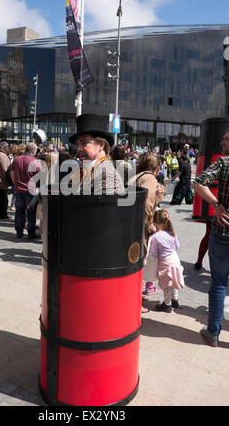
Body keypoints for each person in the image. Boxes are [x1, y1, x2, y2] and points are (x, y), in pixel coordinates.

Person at [193, 127, 229, 347]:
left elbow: (198, 182)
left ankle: (213, 332)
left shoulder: (224, 163)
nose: (222, 143)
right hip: (223, 236)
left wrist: (216, 205)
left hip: (224, 234)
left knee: (218, 284)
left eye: (227, 139)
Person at [131, 153, 163, 298]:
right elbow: (147, 204)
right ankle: (136, 302)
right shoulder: (149, 179)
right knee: (137, 263)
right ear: (157, 168)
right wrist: (150, 226)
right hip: (139, 226)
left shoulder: (136, 176)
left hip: (130, 223)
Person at [68, 113, 125, 195]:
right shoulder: (85, 170)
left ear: (101, 145)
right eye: (77, 144)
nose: (79, 148)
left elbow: (103, 207)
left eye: (84, 143)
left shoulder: (107, 175)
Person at [150, 209, 184, 313]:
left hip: (165, 262)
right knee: (174, 279)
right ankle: (175, 300)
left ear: (155, 222)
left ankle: (167, 304)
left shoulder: (155, 237)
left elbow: (154, 254)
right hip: (175, 258)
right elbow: (177, 246)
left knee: (166, 283)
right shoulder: (172, 233)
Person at [11, 142, 41, 239]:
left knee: (19, 211)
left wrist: (16, 183)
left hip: (18, 190)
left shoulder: (16, 160)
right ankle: (31, 232)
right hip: (30, 191)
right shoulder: (35, 161)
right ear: (33, 151)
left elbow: (12, 173)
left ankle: (19, 232)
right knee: (31, 213)